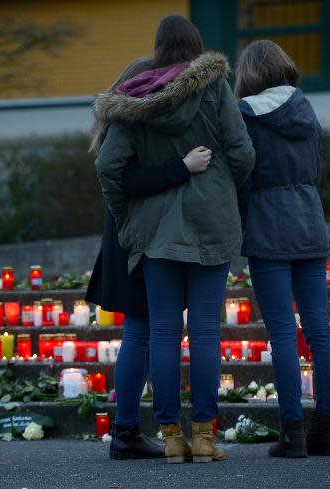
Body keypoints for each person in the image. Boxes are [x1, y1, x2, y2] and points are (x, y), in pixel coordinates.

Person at [94, 15, 254, 464]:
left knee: (162, 331)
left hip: (156, 233)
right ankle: (203, 437)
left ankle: (169, 438)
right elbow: (243, 152)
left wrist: (128, 217)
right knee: (204, 331)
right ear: (197, 45)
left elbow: (108, 167)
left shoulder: (137, 98)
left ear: (158, 47)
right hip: (211, 224)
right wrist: (222, 187)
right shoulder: (215, 88)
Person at [87, 57, 214, 460]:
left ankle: (125, 429)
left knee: (139, 334)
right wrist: (182, 167)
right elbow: (131, 181)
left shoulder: (117, 123)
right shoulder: (132, 124)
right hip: (135, 240)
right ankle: (125, 431)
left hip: (127, 236)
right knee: (140, 332)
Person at [235, 39, 330, 458]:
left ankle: (292, 434)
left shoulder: (245, 115)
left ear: (249, 72)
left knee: (282, 334)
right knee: (319, 332)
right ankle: (328, 432)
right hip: (310, 224)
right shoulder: (305, 108)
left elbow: (243, 176)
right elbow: (316, 171)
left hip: (267, 229)